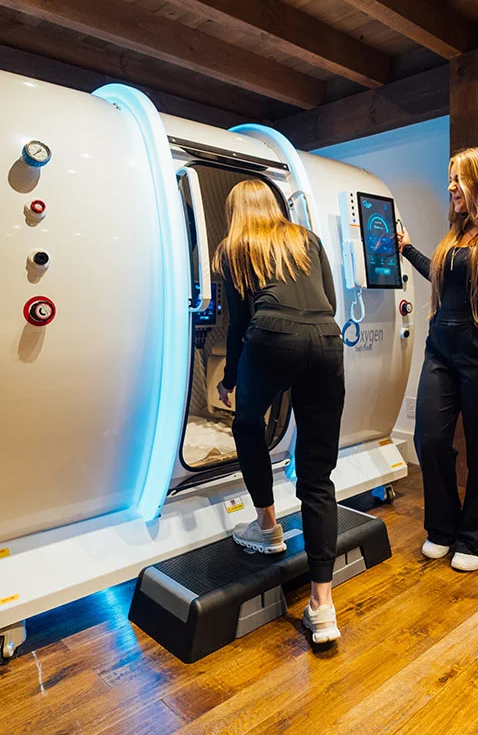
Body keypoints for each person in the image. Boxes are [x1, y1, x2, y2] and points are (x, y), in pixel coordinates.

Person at [213, 178, 344, 643]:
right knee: (316, 474)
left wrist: (230, 380)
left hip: (271, 337)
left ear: (236, 212)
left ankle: (267, 526)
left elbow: (238, 324)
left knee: (247, 424)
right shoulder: (305, 238)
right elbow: (328, 299)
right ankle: (322, 606)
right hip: (327, 340)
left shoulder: (235, 246)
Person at [397, 148, 478, 572]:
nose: (451, 187)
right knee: (431, 441)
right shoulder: (457, 234)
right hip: (440, 351)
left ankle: (476, 538)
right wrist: (408, 249)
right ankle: (443, 528)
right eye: (450, 178)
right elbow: (441, 278)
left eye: (459, 179)